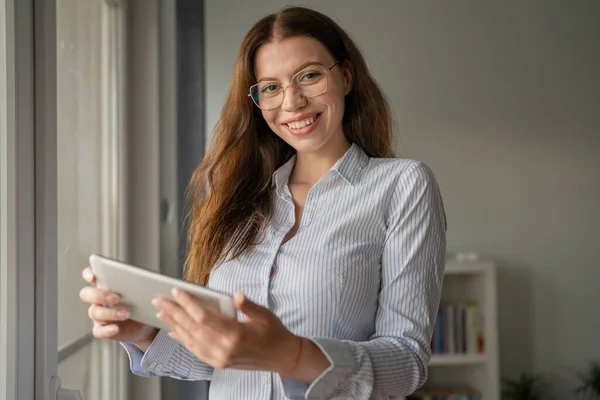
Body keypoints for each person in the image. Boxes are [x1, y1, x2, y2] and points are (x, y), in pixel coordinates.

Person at [80, 5, 447, 400]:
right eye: (271, 87)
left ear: (344, 77)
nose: (292, 102)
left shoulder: (403, 185)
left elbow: (407, 362)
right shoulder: (240, 197)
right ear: (256, 100)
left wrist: (292, 355)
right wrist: (144, 333)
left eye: (308, 76)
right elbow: (223, 360)